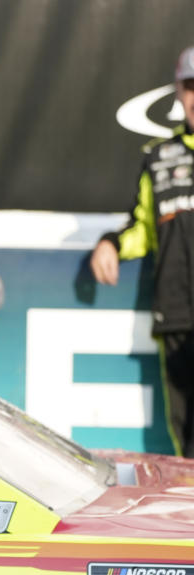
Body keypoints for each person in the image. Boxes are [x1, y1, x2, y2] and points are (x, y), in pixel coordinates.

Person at [89, 45, 194, 458]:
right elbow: (143, 228)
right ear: (179, 92)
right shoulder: (158, 157)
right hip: (179, 312)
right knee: (187, 440)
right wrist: (111, 242)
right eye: (191, 86)